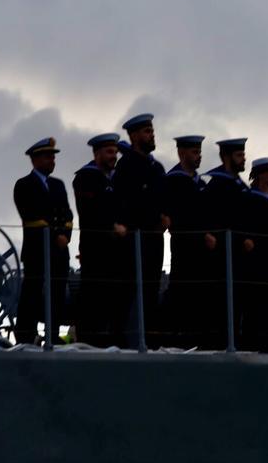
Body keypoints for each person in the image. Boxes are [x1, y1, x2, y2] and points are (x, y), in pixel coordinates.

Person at [112, 113, 170, 347]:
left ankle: (151, 340)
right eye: (147, 132)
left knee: (151, 289)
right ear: (134, 136)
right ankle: (122, 340)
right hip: (134, 238)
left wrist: (166, 216)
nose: (152, 135)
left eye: (152, 131)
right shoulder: (126, 166)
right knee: (128, 291)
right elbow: (124, 201)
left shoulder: (156, 167)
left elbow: (164, 197)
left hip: (155, 238)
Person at [13, 137, 73, 346]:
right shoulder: (23, 185)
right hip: (37, 249)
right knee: (32, 291)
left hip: (59, 250)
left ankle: (53, 333)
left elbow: (67, 214)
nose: (52, 161)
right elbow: (32, 217)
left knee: (57, 293)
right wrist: (56, 235)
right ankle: (25, 334)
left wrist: (65, 234)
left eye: (53, 157)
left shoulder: (58, 185)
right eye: (48, 157)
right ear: (35, 159)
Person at [71, 133, 126, 347]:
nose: (114, 156)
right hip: (96, 249)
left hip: (118, 251)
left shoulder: (117, 178)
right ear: (97, 153)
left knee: (116, 299)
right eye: (109, 152)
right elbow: (88, 211)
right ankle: (89, 340)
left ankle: (115, 341)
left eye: (115, 152)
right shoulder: (85, 178)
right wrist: (111, 226)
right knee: (93, 297)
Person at [162, 134, 212, 346]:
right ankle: (177, 338)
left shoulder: (199, 182)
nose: (198, 156)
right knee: (182, 289)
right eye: (194, 152)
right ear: (182, 153)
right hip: (185, 245)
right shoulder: (174, 180)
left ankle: (195, 337)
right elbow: (180, 216)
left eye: (199, 152)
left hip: (202, 248)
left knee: (200, 294)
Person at [202, 138, 249, 348]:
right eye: (239, 155)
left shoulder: (240, 185)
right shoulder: (217, 184)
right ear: (228, 157)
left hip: (240, 255)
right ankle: (220, 342)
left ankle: (235, 340)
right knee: (221, 302)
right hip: (223, 254)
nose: (243, 159)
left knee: (239, 302)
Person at [239, 157, 268, 353]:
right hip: (258, 260)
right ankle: (253, 343)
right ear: (260, 175)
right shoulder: (250, 198)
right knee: (256, 303)